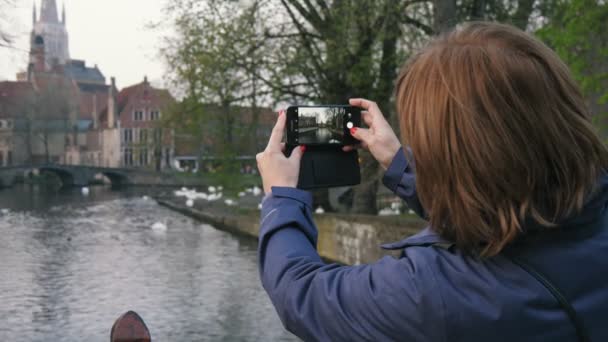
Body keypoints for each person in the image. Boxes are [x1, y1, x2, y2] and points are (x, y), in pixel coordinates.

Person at [255, 22, 608, 341]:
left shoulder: (437, 295)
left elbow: (301, 294)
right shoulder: (592, 211)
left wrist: (281, 197)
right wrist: (399, 164)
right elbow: (501, 208)